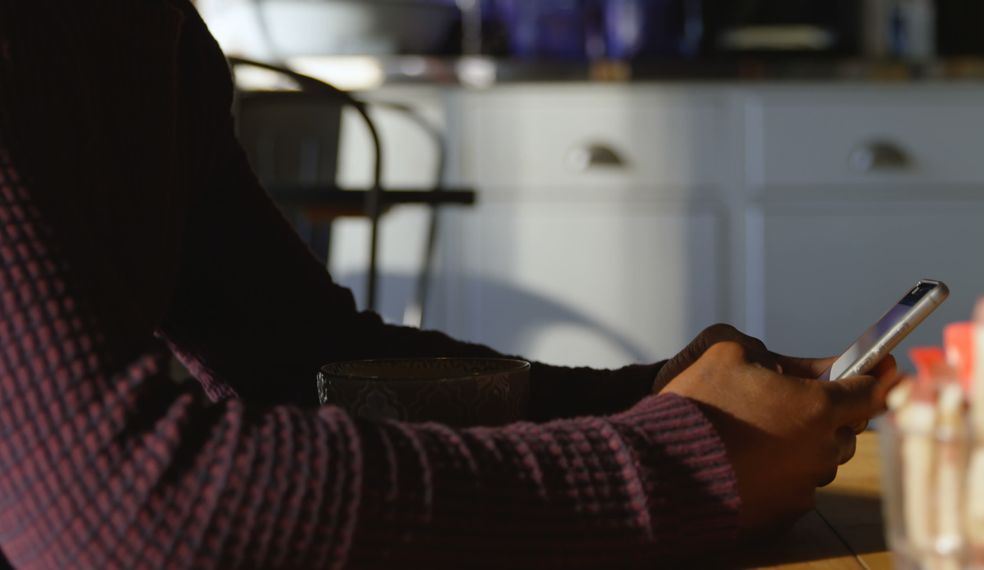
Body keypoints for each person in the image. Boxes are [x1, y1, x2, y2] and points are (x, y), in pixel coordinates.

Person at [0, 1, 898, 568]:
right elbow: (111, 507)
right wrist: (683, 460)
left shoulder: (144, 34)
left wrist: (659, 399)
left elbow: (309, 358)